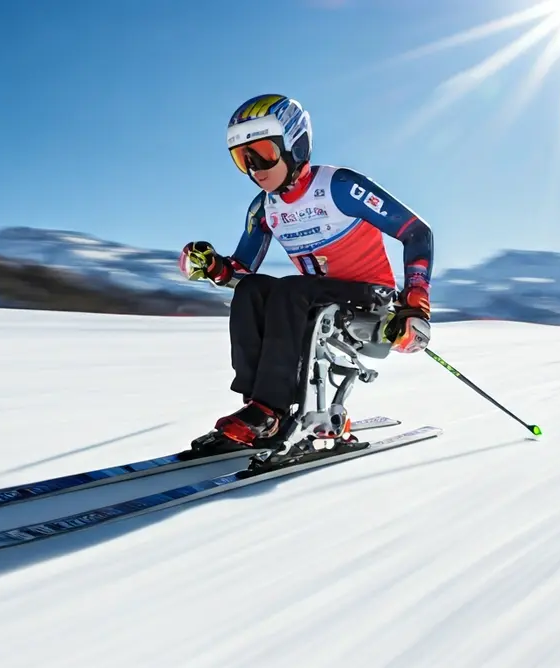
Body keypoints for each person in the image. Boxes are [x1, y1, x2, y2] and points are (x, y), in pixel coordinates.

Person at [179, 94, 433, 448]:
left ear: (294, 145)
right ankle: (259, 408)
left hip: (369, 295)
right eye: (243, 159)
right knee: (252, 290)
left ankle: (271, 407)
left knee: (289, 290)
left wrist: (415, 303)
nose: (255, 168)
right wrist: (214, 267)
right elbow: (241, 271)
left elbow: (416, 231)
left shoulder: (339, 187)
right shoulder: (264, 208)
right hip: (313, 295)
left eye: (263, 153)